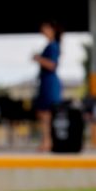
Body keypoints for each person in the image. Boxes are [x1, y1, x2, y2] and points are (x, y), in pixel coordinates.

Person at [34, 21, 64, 152]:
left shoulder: (53, 46)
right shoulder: (51, 45)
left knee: (47, 112)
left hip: (49, 82)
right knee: (43, 112)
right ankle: (46, 140)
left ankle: (48, 141)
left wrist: (39, 59)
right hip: (45, 81)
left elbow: (52, 65)